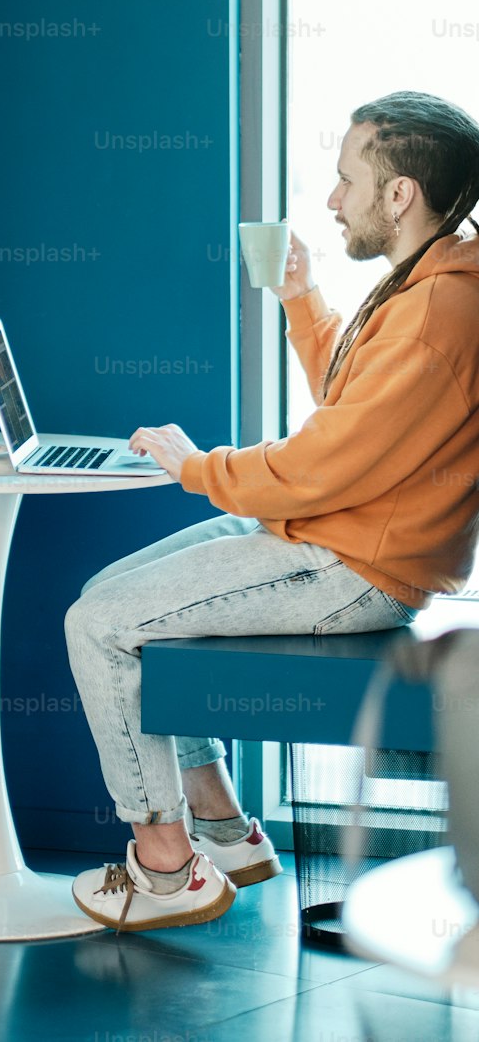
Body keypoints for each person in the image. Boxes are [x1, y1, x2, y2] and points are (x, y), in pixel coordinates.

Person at [65, 90, 479, 932]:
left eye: (345, 179)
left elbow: (319, 467)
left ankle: (165, 864)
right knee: (111, 589)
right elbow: (353, 404)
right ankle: (222, 825)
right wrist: (302, 297)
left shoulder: (440, 306)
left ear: (399, 194)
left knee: (99, 622)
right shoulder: (424, 279)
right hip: (327, 532)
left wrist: (199, 467)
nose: (331, 201)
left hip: (355, 564)